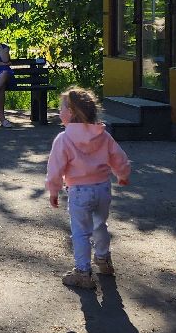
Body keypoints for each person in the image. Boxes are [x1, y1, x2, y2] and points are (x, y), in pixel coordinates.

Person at [46, 87, 131, 289]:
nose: (59, 111)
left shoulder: (64, 139)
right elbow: (119, 157)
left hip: (79, 192)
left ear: (72, 113)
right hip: (102, 188)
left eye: (62, 108)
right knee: (100, 224)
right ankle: (103, 260)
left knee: (81, 232)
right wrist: (123, 174)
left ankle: (83, 272)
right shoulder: (102, 135)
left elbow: (55, 168)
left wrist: (53, 189)